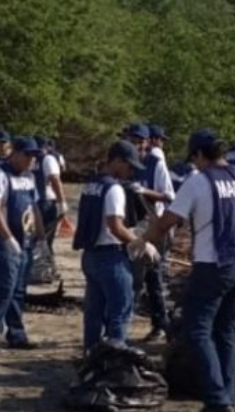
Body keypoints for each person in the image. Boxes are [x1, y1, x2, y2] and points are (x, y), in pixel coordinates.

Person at [133, 129, 235, 412]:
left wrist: (143, 240)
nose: (195, 163)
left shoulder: (199, 181)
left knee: (198, 329)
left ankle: (217, 400)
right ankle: (227, 395)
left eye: (195, 158)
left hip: (214, 266)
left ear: (200, 155)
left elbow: (167, 222)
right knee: (227, 329)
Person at [73, 140, 159, 352]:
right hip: (111, 258)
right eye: (129, 166)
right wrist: (141, 243)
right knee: (119, 312)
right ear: (118, 161)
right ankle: (114, 361)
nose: (131, 172)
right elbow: (115, 226)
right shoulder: (114, 189)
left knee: (94, 313)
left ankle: (91, 357)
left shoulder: (91, 185)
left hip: (91, 255)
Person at [0, 136, 45, 354]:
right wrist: (7, 237)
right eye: (27, 155)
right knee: (5, 285)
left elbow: (34, 208)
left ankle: (16, 333)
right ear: (15, 153)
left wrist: (42, 237)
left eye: (34, 157)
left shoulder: (29, 178)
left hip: (24, 237)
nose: (31, 160)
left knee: (19, 288)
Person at [124, 123, 175, 342]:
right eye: (132, 140)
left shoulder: (156, 163)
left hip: (153, 225)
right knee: (133, 278)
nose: (136, 145)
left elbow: (169, 196)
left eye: (139, 141)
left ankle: (159, 325)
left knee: (153, 278)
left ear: (147, 142)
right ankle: (123, 326)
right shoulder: (124, 161)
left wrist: (144, 191)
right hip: (131, 226)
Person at [32, 135, 68, 255]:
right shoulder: (47, 159)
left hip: (31, 201)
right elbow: (55, 179)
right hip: (46, 202)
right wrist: (62, 202)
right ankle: (45, 261)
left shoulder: (30, 159)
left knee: (34, 237)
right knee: (47, 236)